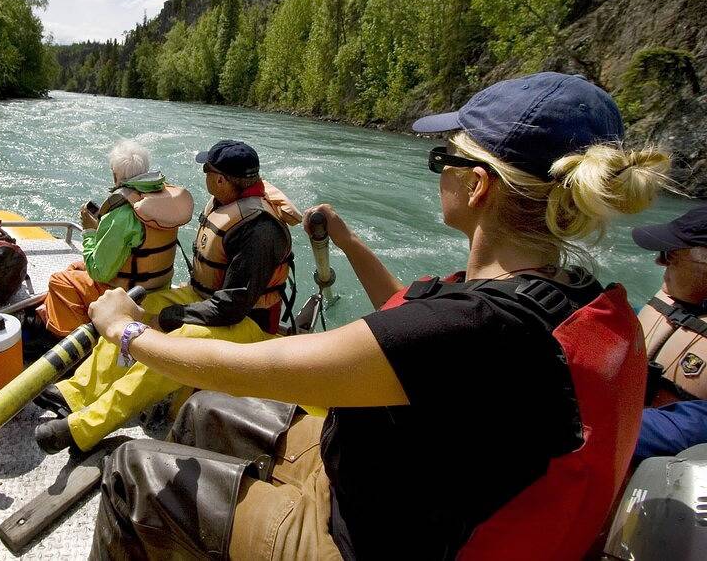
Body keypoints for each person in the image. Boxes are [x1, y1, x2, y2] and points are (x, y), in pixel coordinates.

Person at [86, 72, 670, 560]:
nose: (438, 169)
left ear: (477, 186)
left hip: (367, 539)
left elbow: (257, 365)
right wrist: (345, 239)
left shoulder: (475, 327)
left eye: (445, 157)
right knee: (206, 413)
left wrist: (125, 330)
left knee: (131, 471)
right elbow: (409, 329)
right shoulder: (553, 297)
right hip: (392, 490)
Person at [33, 139, 302, 454]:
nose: (203, 176)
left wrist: (167, 319)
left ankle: (84, 427)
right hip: (204, 298)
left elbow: (232, 307)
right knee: (132, 308)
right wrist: (150, 313)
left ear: (220, 180)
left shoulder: (258, 230)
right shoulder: (229, 199)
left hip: (247, 321)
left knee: (174, 347)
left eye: (207, 170)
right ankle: (76, 393)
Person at [39, 140, 193, 339]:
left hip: (128, 294)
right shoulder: (162, 202)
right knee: (76, 267)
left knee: (59, 280)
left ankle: (74, 342)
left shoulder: (120, 214)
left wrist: (89, 232)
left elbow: (99, 273)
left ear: (115, 175)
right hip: (158, 286)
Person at [630, 205, 707, 465]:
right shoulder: (679, 305)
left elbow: (695, 426)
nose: (659, 261)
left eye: (671, 254)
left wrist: (587, 422)